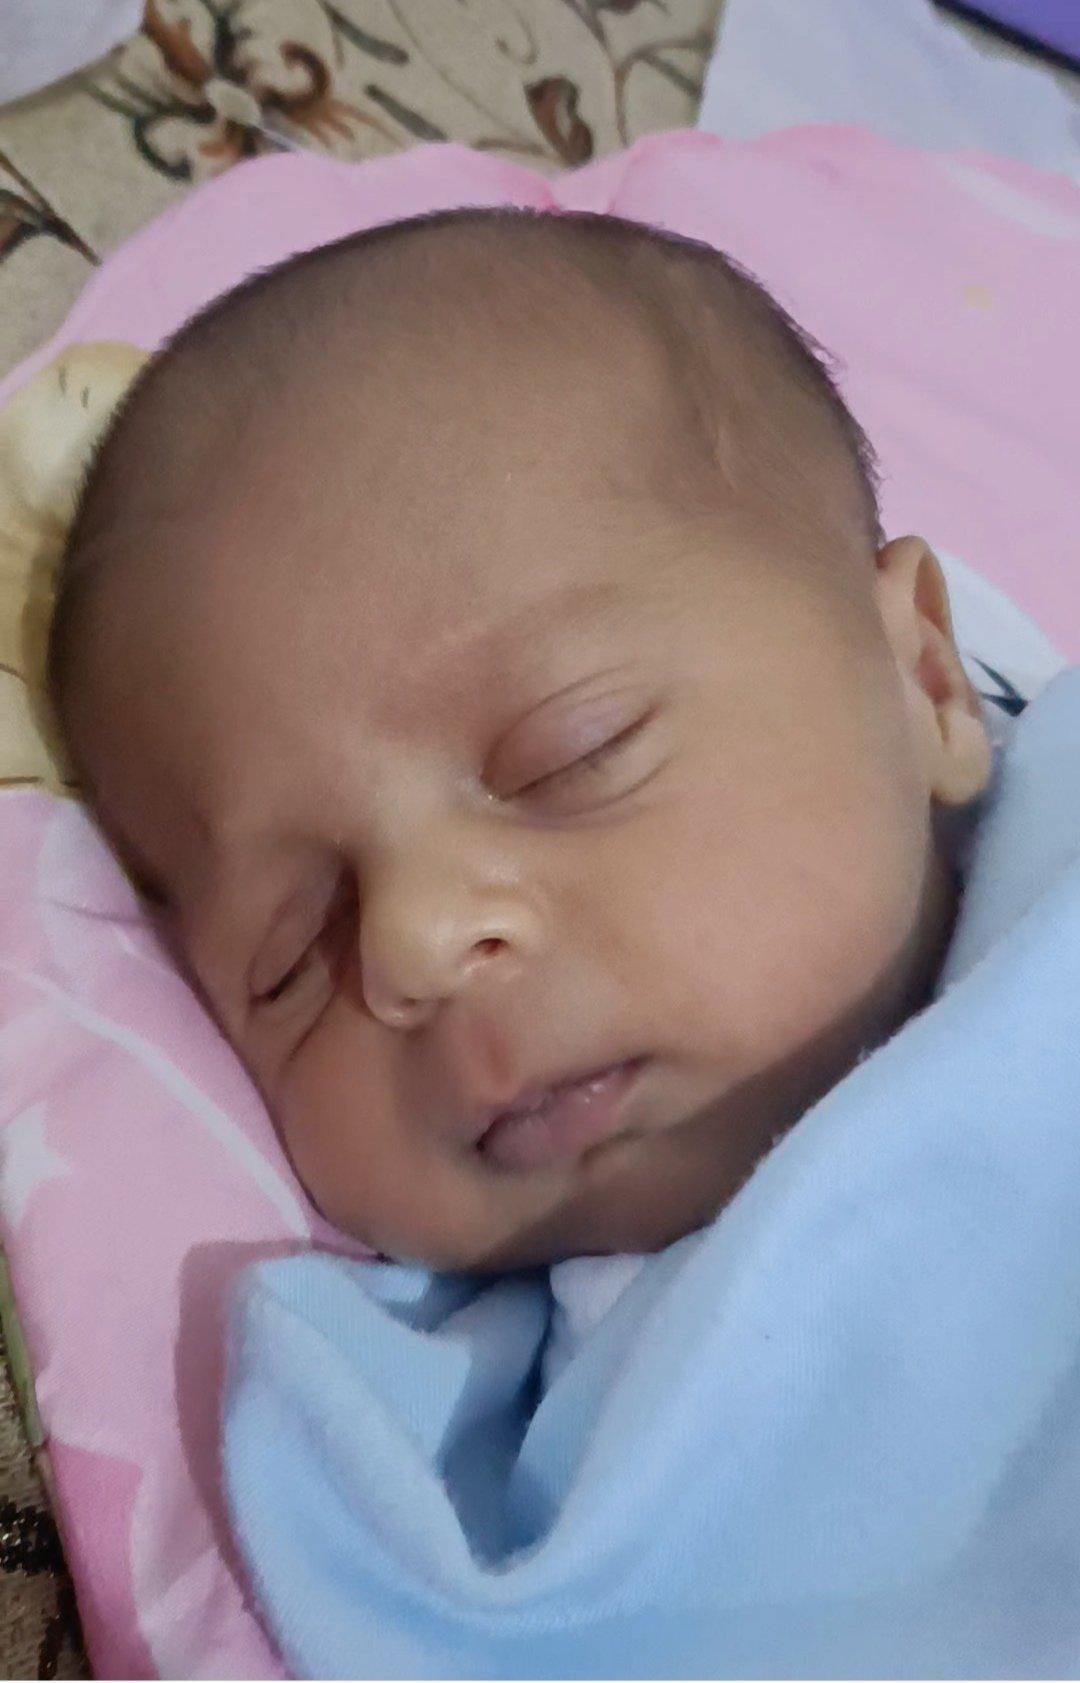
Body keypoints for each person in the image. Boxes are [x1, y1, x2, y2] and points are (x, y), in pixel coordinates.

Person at [45, 207, 992, 1270]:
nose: (414, 939)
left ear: (924, 676)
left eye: (575, 754)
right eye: (293, 957)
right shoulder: (370, 1368)